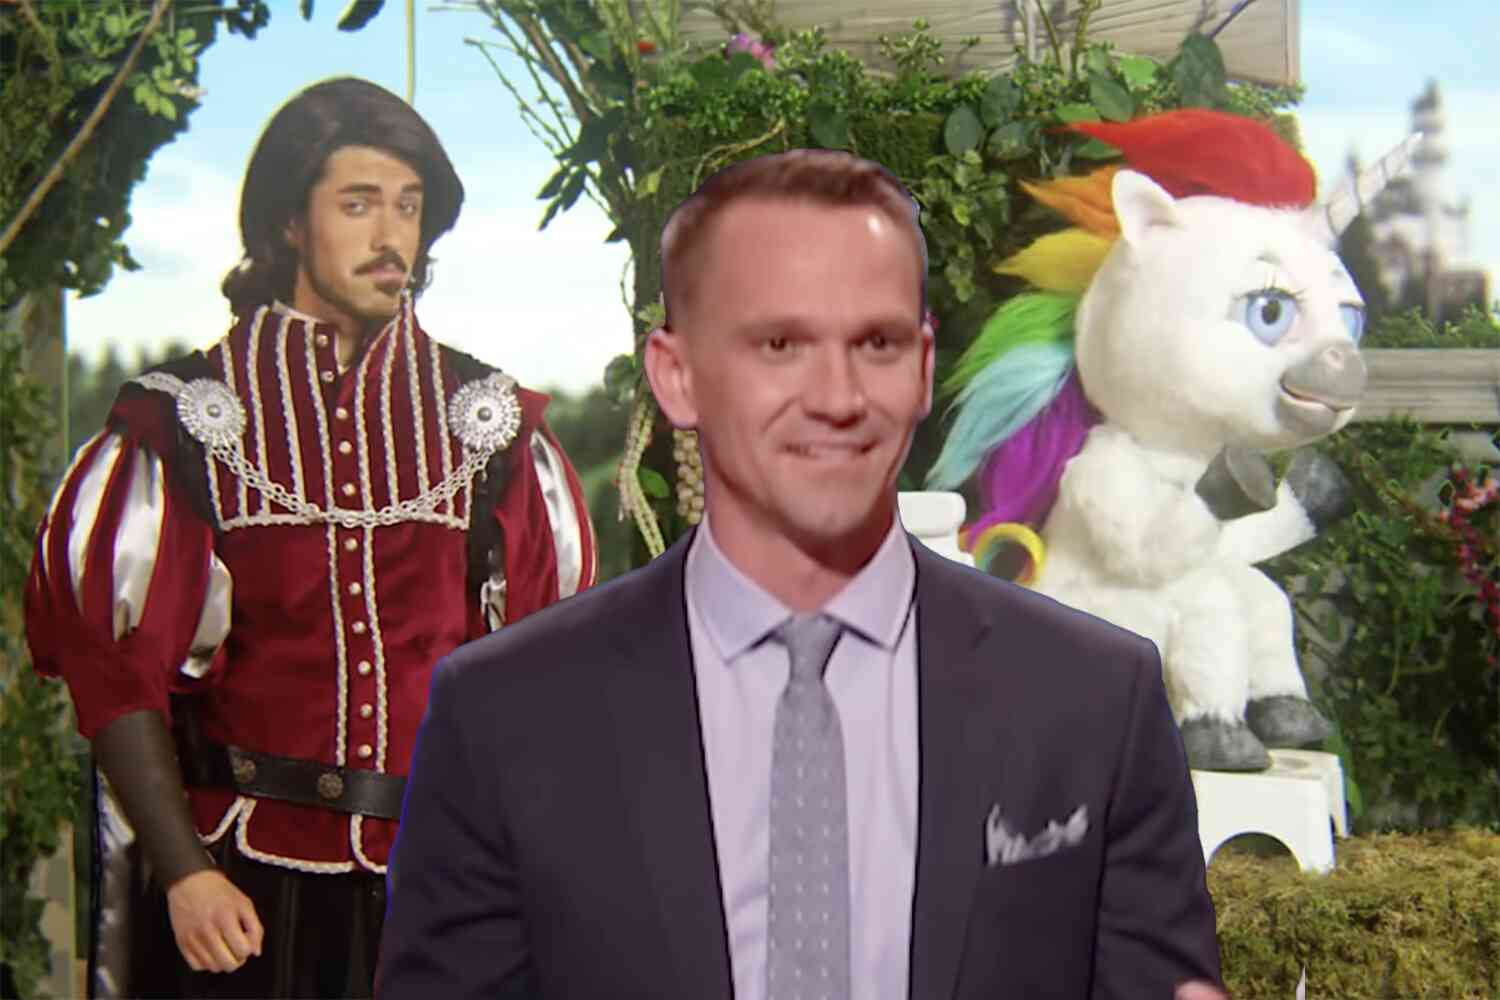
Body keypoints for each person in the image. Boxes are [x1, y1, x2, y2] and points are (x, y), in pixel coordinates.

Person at [376, 149, 1224, 999]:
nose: (838, 397)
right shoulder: (504, 719)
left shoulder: (1095, 703)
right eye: (780, 344)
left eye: (878, 343)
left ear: (924, 367)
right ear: (676, 376)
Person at [24, 76, 596, 1000]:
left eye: (408, 205)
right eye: (358, 204)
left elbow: (540, 678)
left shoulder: (490, 426)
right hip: (241, 892)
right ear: (289, 222)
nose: (391, 236)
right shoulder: (180, 424)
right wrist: (184, 872)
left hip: (442, 888)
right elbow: (116, 675)